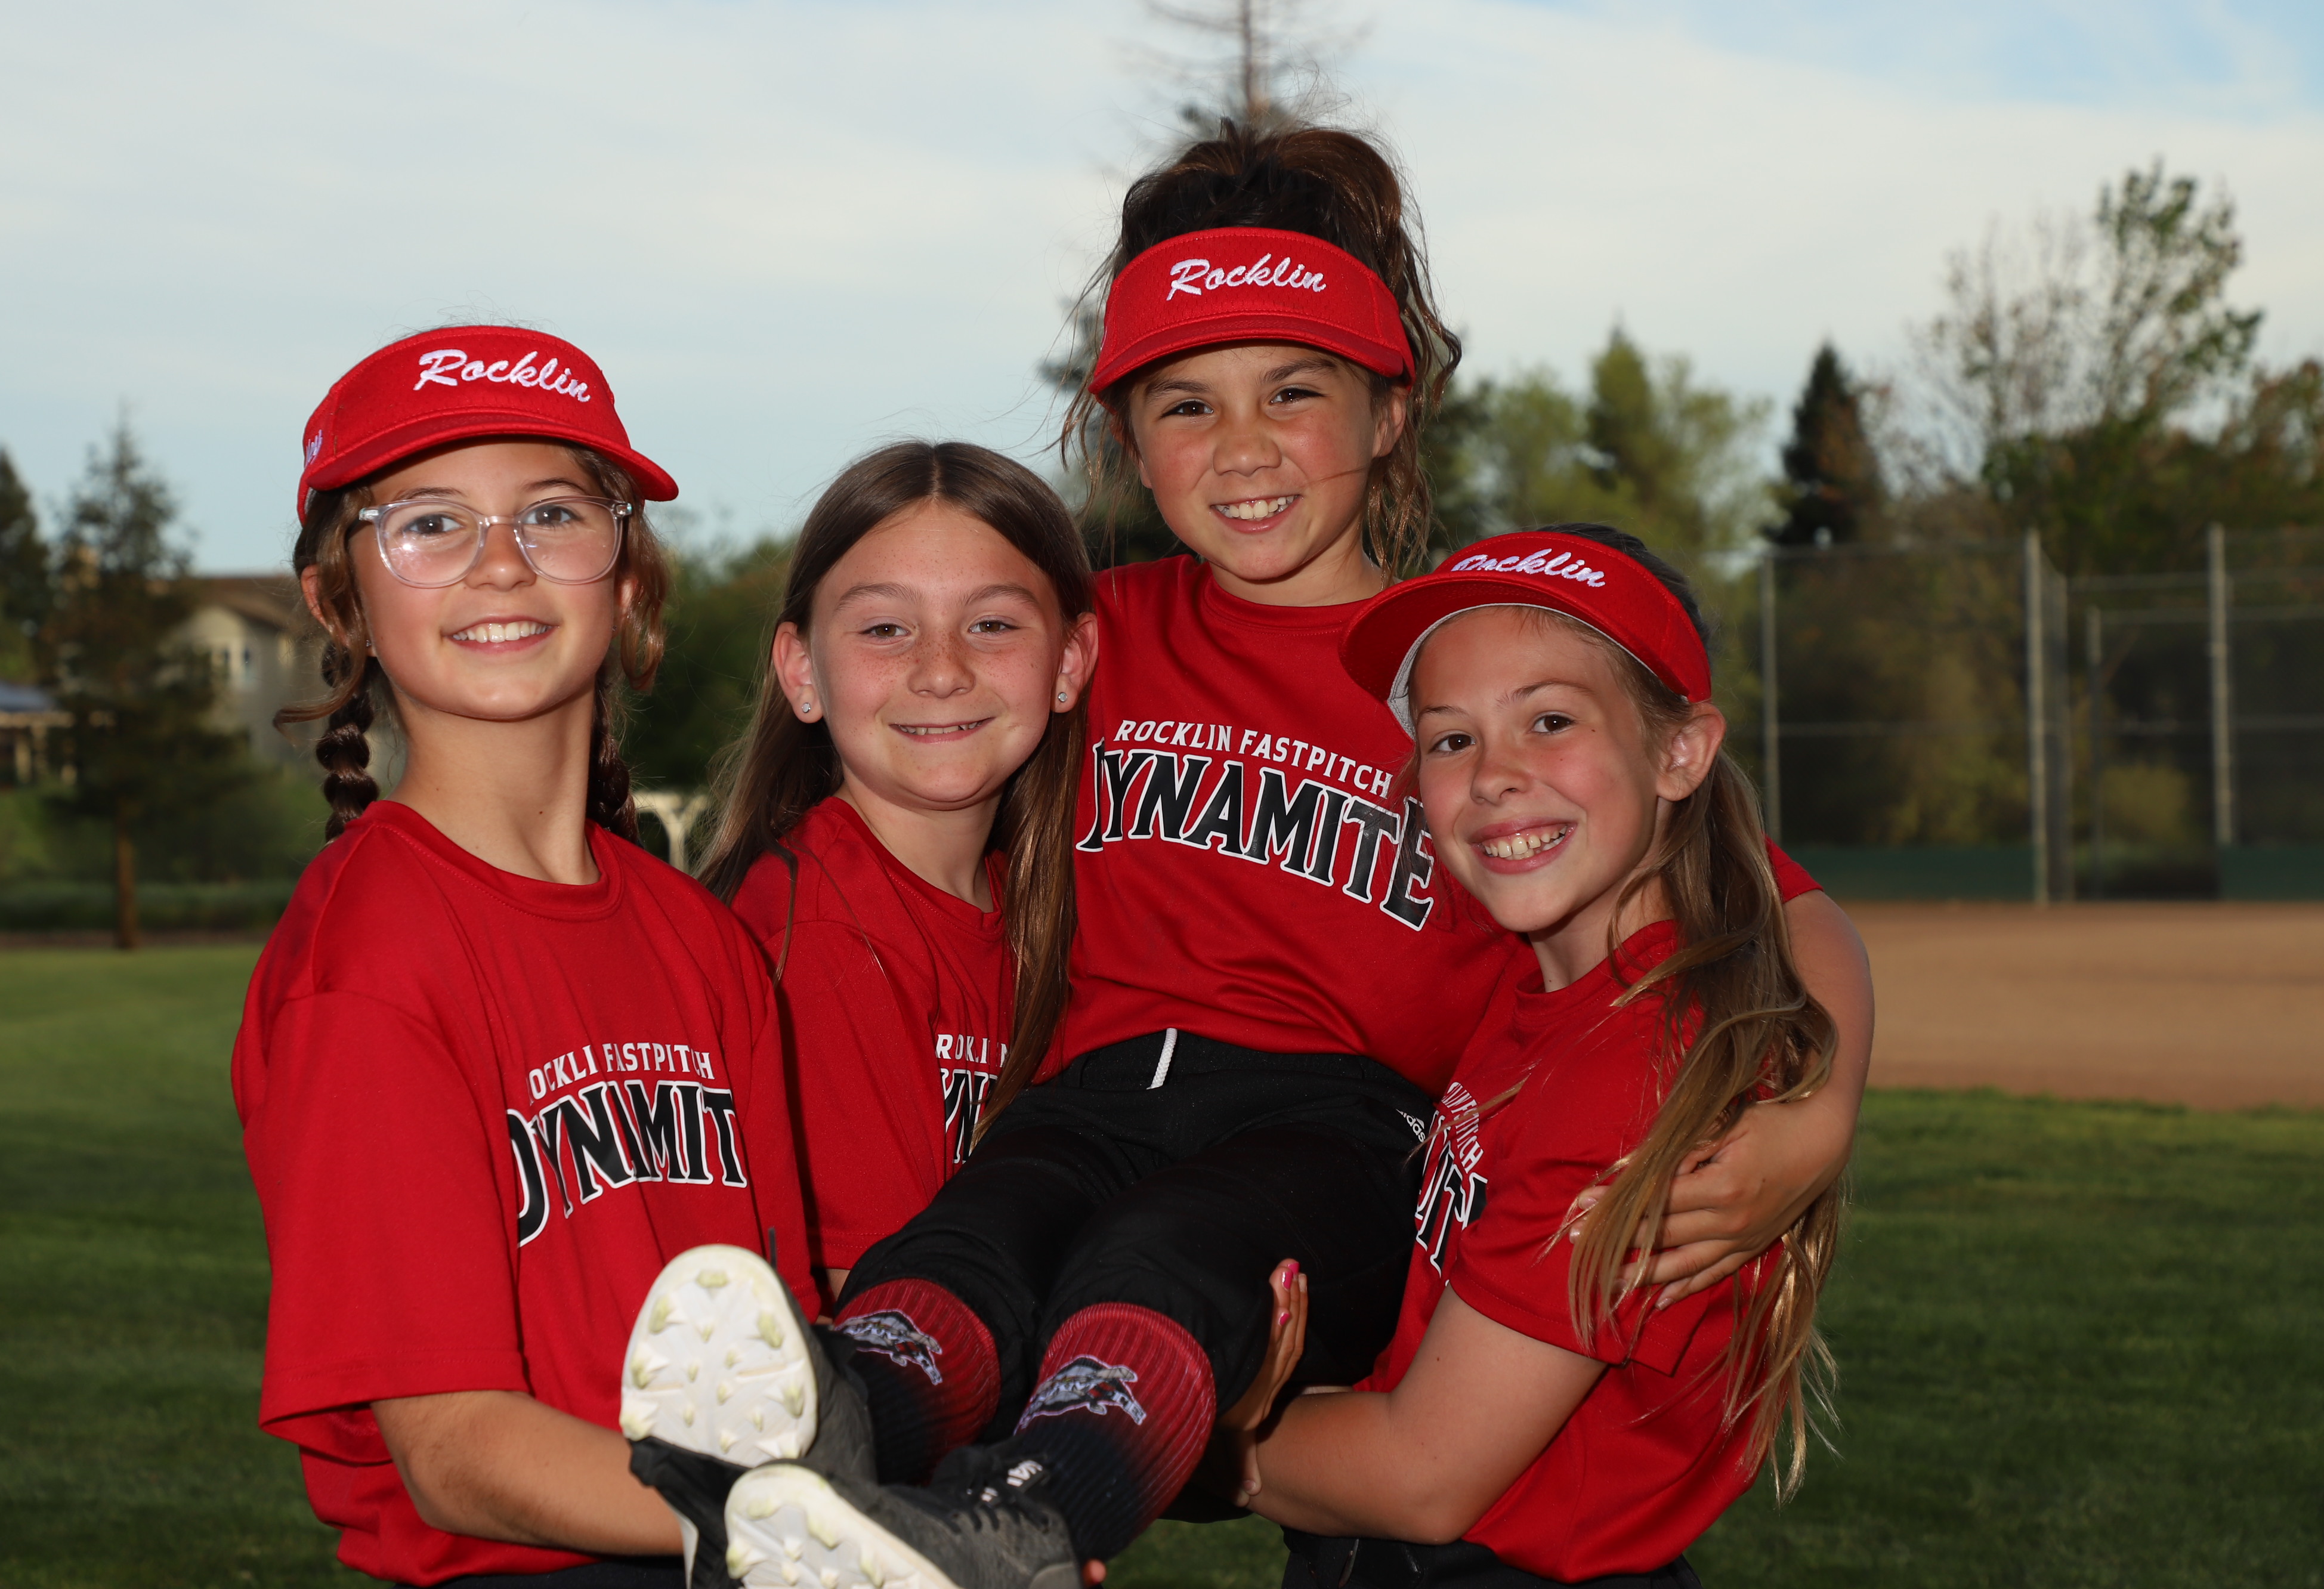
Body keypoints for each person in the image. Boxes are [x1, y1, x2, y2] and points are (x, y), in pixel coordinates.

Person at [688, 122, 1871, 1589]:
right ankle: (843, 1417)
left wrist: (1818, 1114)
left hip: (1340, 1142)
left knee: (1167, 1255)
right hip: (1098, 1102)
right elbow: (920, 713)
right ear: (1127, 441)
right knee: (981, 1236)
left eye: (1294, 393)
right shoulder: (1089, 637)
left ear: (1390, 414)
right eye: (1186, 405)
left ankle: (1030, 1519)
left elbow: (1779, 905)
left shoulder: (1472, 665)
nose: (1242, 450)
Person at [233, 327, 818, 1587]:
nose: (501, 563)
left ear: (628, 576)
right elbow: (457, 1451)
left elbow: (791, 1345)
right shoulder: (368, 962)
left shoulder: (701, 941)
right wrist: (817, 1525)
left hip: (737, 1546)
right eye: (430, 525)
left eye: (552, 513)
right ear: (340, 600)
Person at [1227, 524, 1846, 1589]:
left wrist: (1177, 1432)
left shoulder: (1626, 1072)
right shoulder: (1559, 975)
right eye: (1450, 739)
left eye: (1550, 721)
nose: (1494, 777)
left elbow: (1424, 1476)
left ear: (1681, 752)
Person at [695, 442, 1099, 1303]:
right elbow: (884, 1311)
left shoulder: (1057, 914)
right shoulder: (816, 933)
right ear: (802, 671)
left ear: (1069, 661)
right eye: (885, 629)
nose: (942, 670)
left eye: (991, 625)